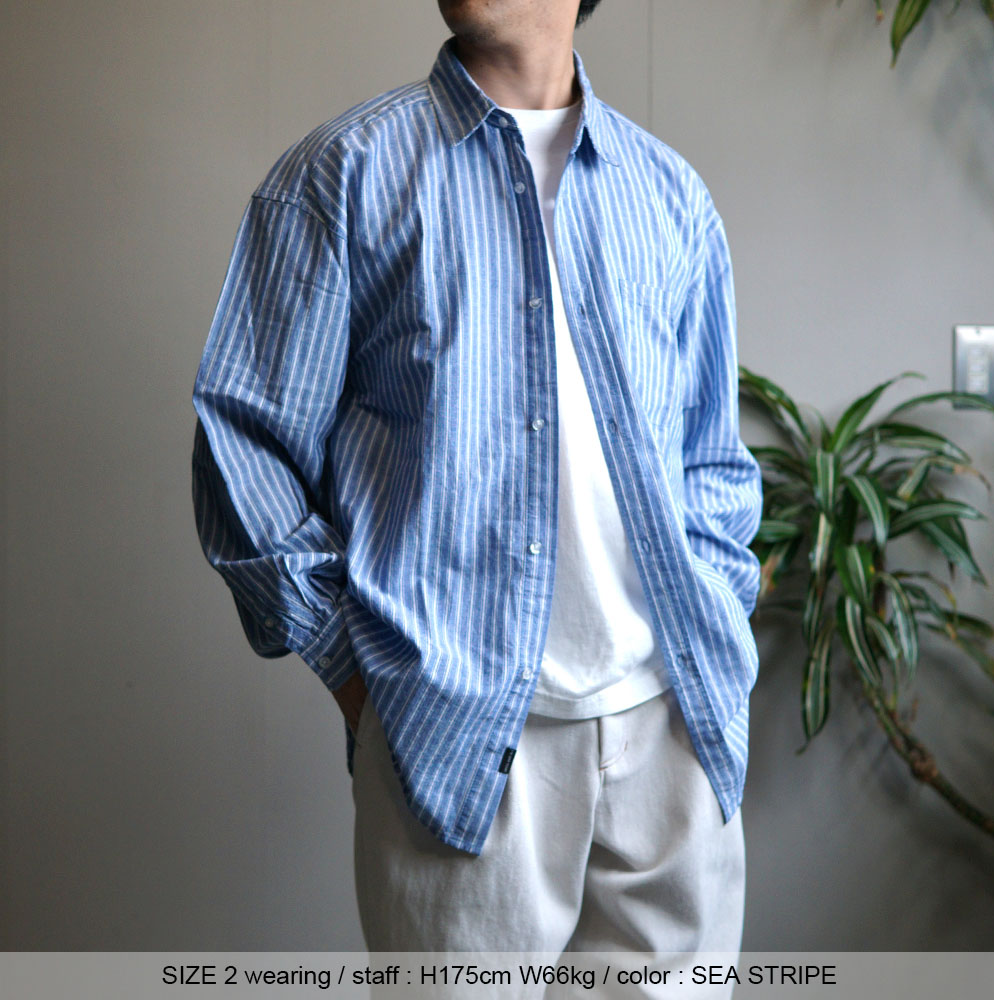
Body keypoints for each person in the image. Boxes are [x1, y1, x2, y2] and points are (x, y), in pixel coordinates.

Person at [191, 0, 762, 986]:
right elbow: (244, 442)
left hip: (672, 732)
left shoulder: (668, 192)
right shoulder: (342, 175)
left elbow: (710, 459)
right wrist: (361, 679)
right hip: (456, 742)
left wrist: (714, 630)